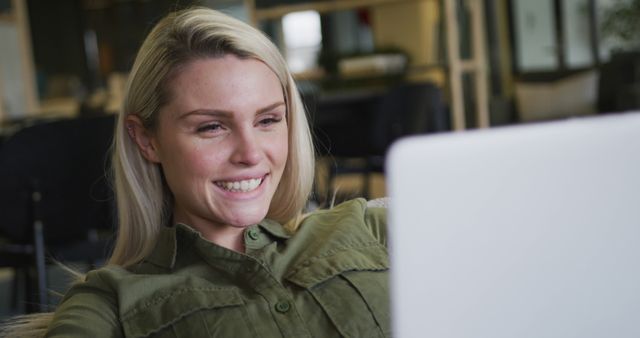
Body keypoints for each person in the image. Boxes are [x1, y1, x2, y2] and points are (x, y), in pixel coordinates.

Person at [3, 7, 389, 338]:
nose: (251, 153)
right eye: (211, 127)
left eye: (268, 119)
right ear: (146, 140)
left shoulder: (365, 226)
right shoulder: (109, 304)